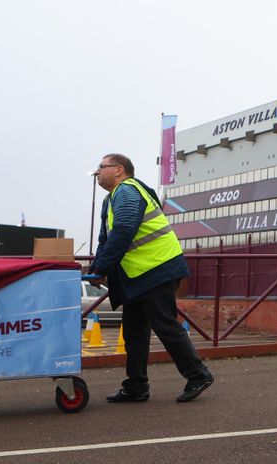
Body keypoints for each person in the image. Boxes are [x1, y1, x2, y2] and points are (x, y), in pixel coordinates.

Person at [90, 153, 214, 403]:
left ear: (119, 170)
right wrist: (97, 267)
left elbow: (125, 228)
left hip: (157, 269)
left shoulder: (127, 190)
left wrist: (102, 267)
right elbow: (106, 239)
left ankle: (199, 375)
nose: (96, 172)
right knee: (134, 333)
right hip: (139, 275)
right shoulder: (111, 198)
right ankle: (136, 386)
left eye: (101, 167)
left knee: (165, 325)